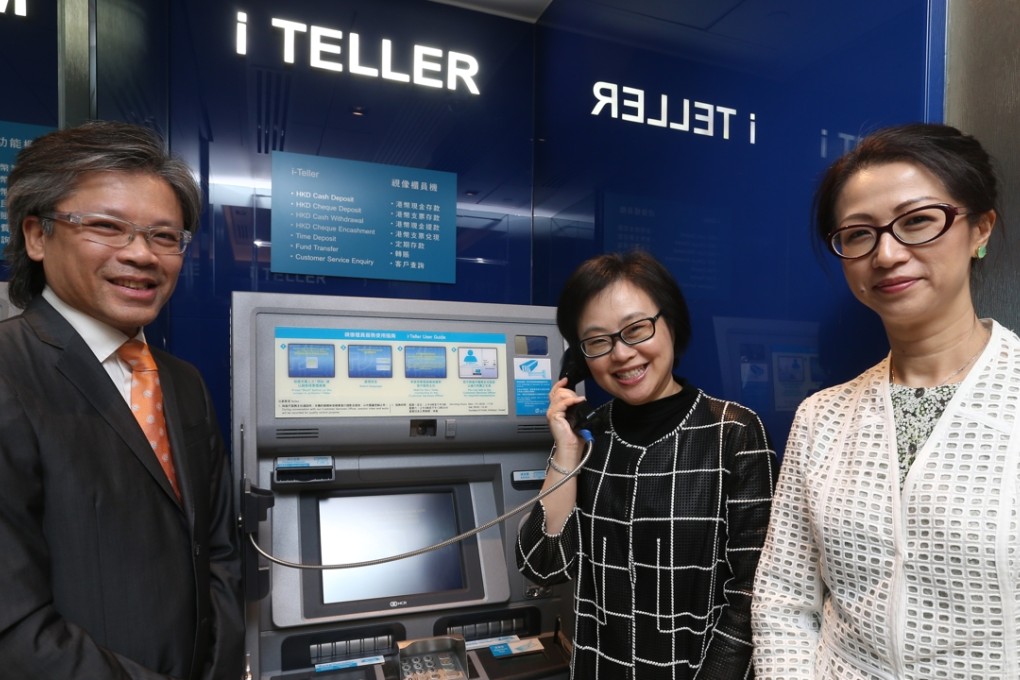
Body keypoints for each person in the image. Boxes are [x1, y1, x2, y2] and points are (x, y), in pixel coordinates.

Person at [751, 123, 1017, 679]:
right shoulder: (821, 417)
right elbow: (782, 598)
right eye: (858, 234)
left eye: (918, 221)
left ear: (980, 229)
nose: (887, 253)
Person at [0, 121, 244, 679]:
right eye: (108, 227)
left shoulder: (183, 383)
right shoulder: (9, 373)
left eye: (165, 237)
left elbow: (219, 557)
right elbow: (13, 626)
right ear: (37, 236)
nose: (142, 255)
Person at [516, 250, 777, 679]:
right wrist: (565, 449)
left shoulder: (735, 433)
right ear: (580, 360)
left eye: (637, 329)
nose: (621, 354)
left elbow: (753, 591)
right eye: (599, 341)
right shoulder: (589, 437)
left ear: (670, 323)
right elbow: (544, 566)